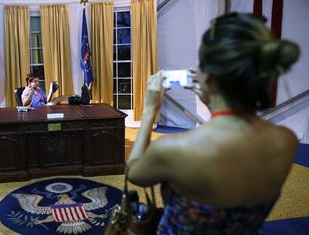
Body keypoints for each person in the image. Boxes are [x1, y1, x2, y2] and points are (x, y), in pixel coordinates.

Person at [127, 13, 300, 234]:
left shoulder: (176, 149)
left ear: (208, 78)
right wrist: (213, 102)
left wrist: (150, 109)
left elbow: (134, 172)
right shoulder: (286, 140)